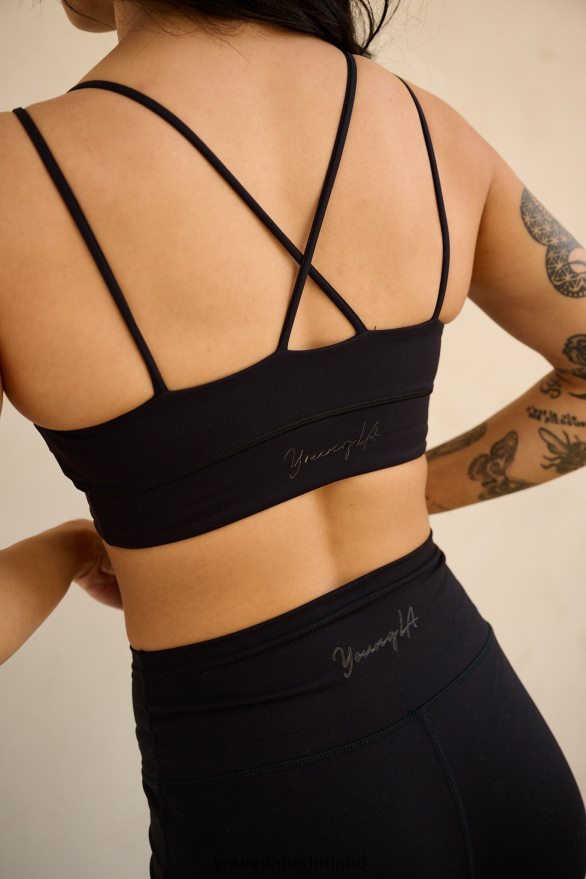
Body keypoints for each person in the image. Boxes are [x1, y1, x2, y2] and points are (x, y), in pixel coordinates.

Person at [1, 1, 585, 876]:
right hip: (493, 737)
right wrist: (406, 486)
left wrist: (68, 550)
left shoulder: (15, 182)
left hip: (273, 803)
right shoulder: (424, 124)